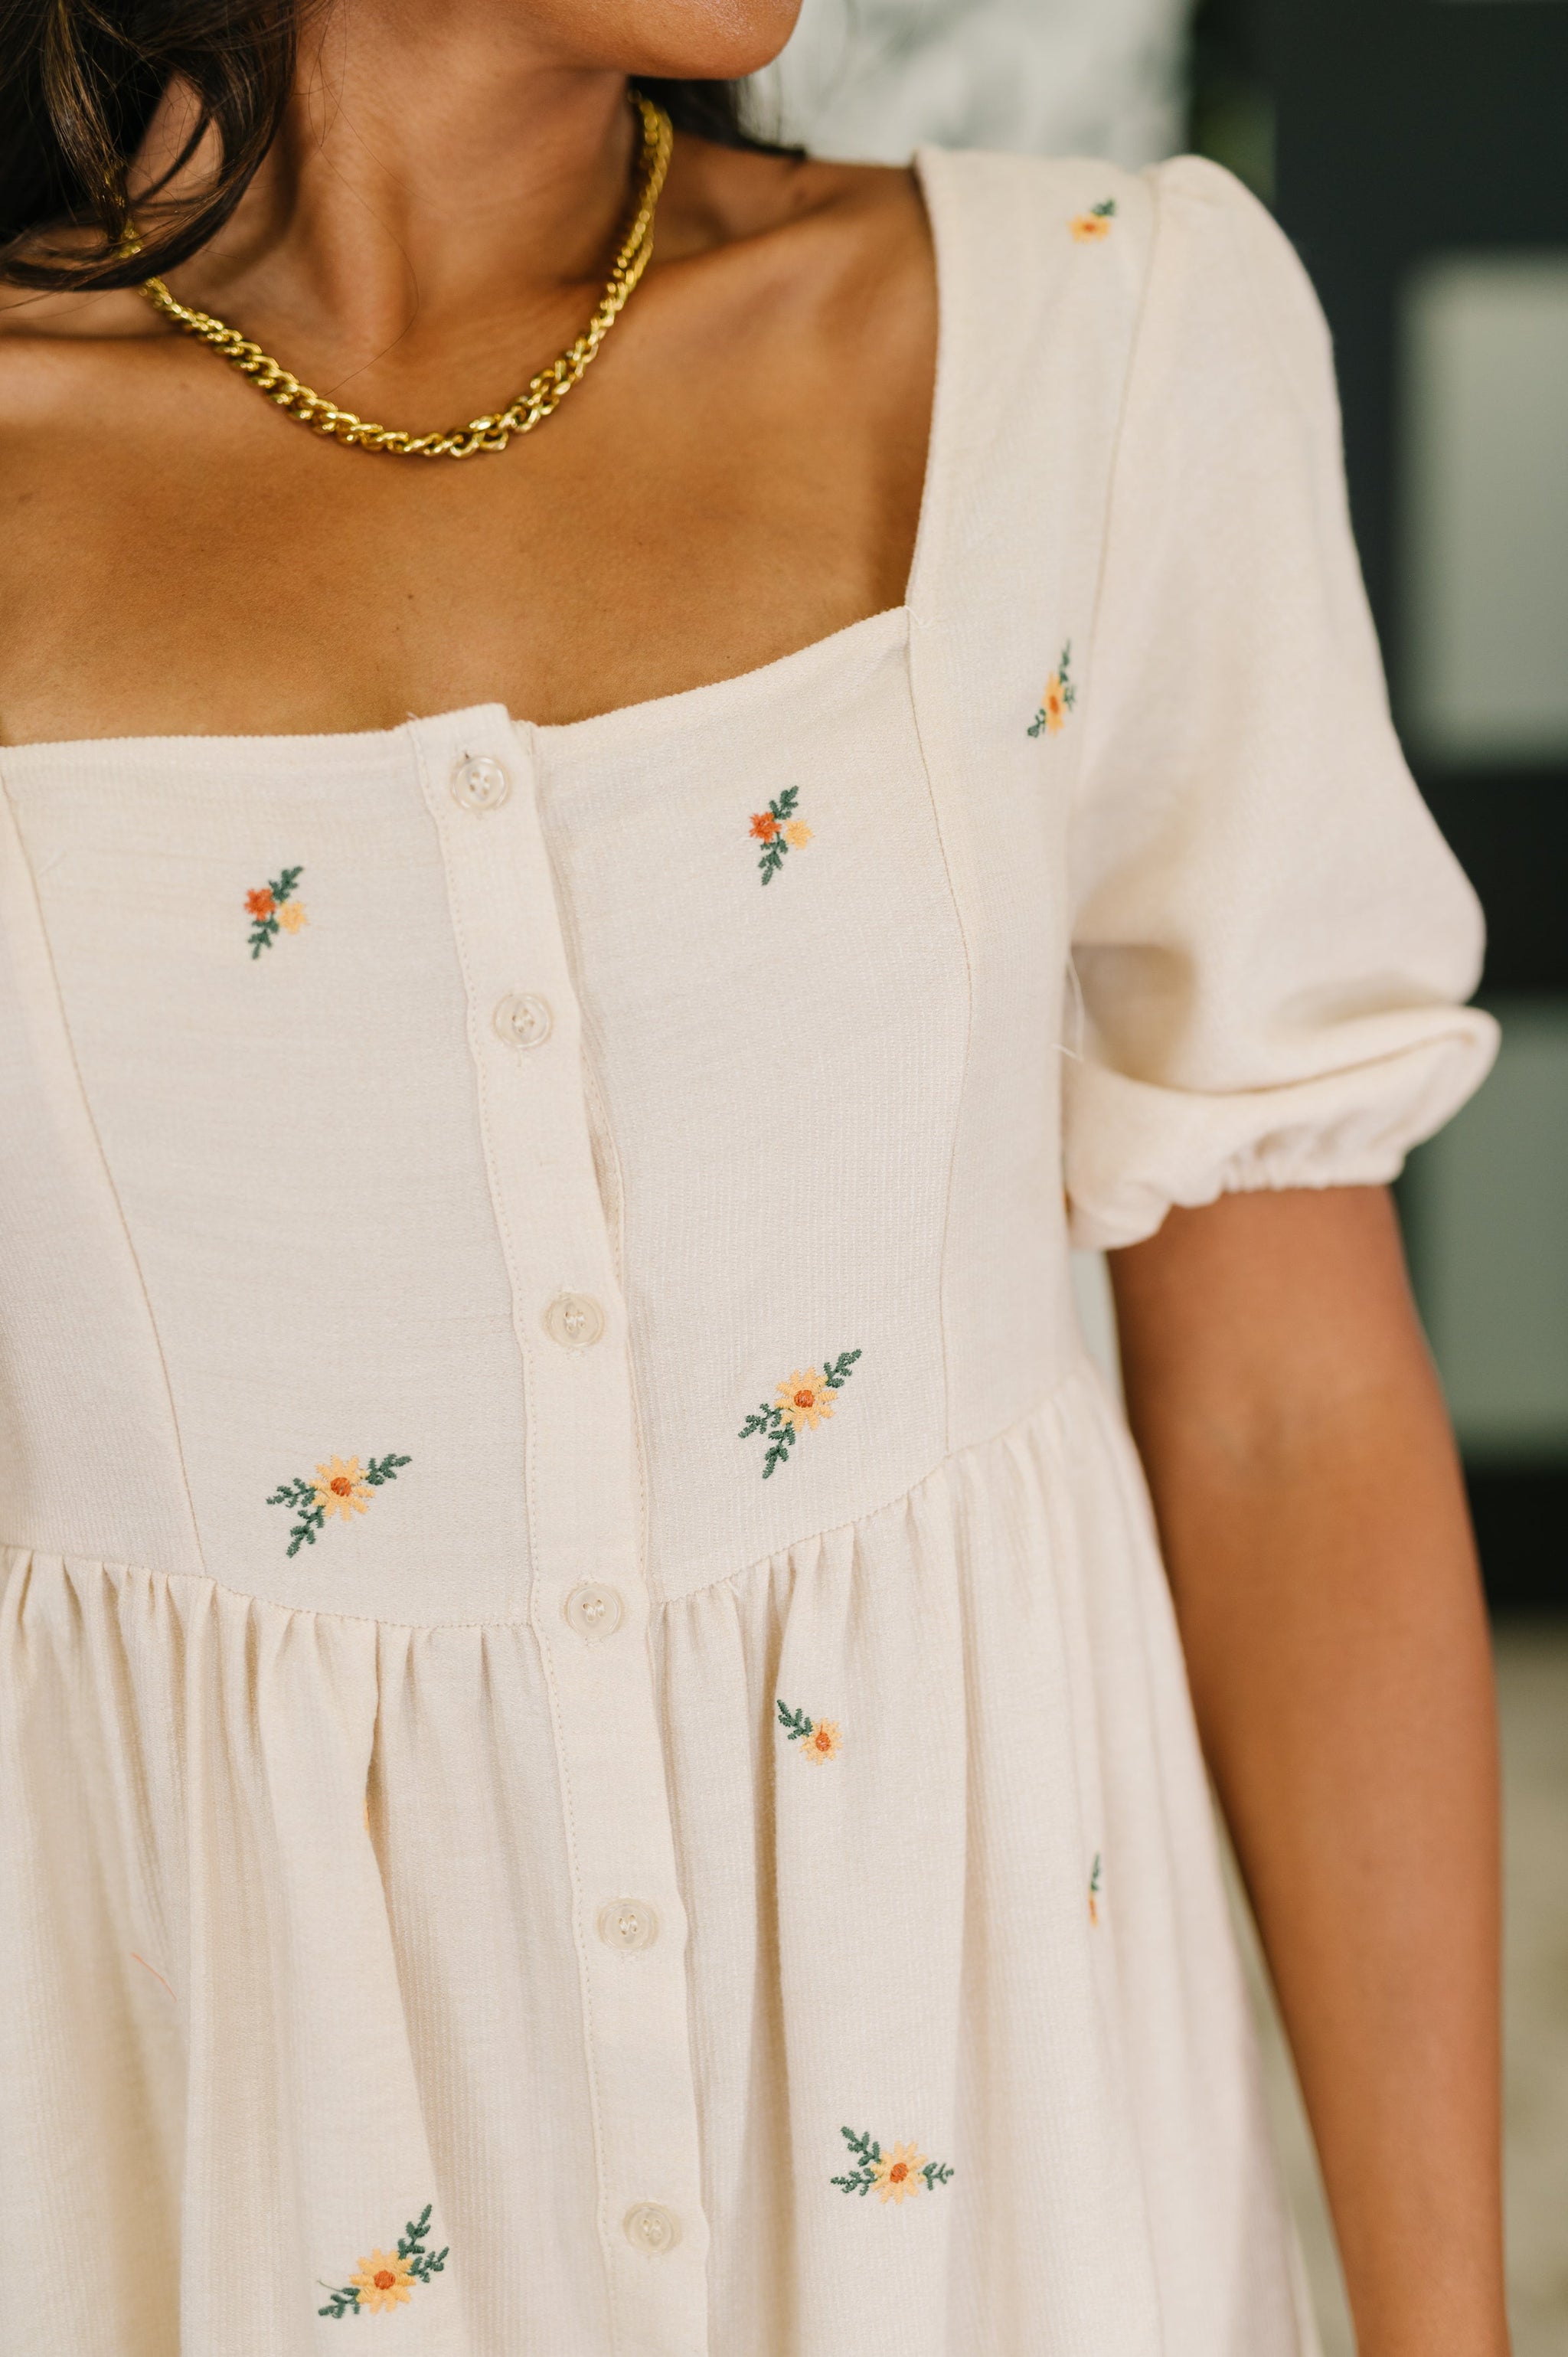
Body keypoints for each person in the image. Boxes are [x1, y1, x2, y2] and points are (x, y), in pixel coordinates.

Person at [0, 6, 1509, 2355]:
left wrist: (1444, 2328)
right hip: (201, 2184)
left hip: (1001, 2195)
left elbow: (1289, 1422)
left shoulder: (1094, 340)